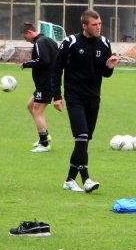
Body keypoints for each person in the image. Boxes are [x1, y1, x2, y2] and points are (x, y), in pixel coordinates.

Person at [54, 10, 119, 193]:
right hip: (74, 97)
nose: (98, 27)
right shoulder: (70, 42)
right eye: (94, 25)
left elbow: (104, 74)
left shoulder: (105, 42)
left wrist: (109, 67)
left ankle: (69, 179)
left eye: (99, 24)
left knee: (84, 140)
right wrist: (57, 96)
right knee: (81, 135)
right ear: (84, 26)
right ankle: (86, 179)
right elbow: (56, 69)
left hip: (93, 97)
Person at [20, 22, 61, 152]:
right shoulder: (49, 40)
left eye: (26, 38)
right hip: (46, 82)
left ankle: (44, 144)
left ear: (29, 32)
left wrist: (26, 64)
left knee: (37, 111)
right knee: (30, 105)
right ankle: (44, 135)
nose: (27, 41)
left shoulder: (39, 42)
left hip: (46, 83)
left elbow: (44, 60)